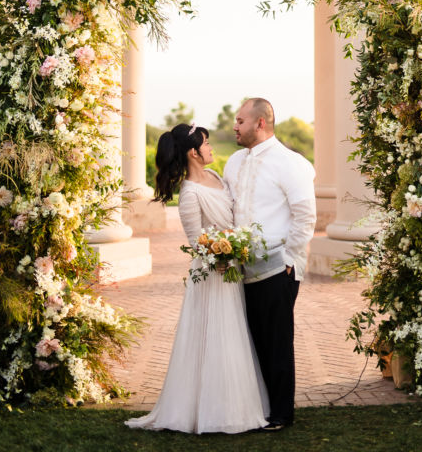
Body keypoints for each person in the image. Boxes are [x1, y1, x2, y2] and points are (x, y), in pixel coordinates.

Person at [125, 121, 268, 434]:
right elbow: (196, 243)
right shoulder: (189, 194)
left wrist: (237, 249)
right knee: (212, 340)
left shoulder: (217, 177)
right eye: (206, 144)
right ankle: (207, 412)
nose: (211, 147)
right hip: (211, 276)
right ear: (193, 153)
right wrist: (219, 256)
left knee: (233, 339)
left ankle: (235, 405)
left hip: (230, 273)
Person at [223, 98, 317, 430]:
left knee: (277, 342)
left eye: (240, 120)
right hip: (241, 270)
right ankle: (257, 408)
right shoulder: (233, 162)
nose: (234, 126)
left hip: (279, 267)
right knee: (251, 341)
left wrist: (291, 260)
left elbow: (305, 216)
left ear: (260, 123)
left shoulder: (291, 163)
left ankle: (280, 414)